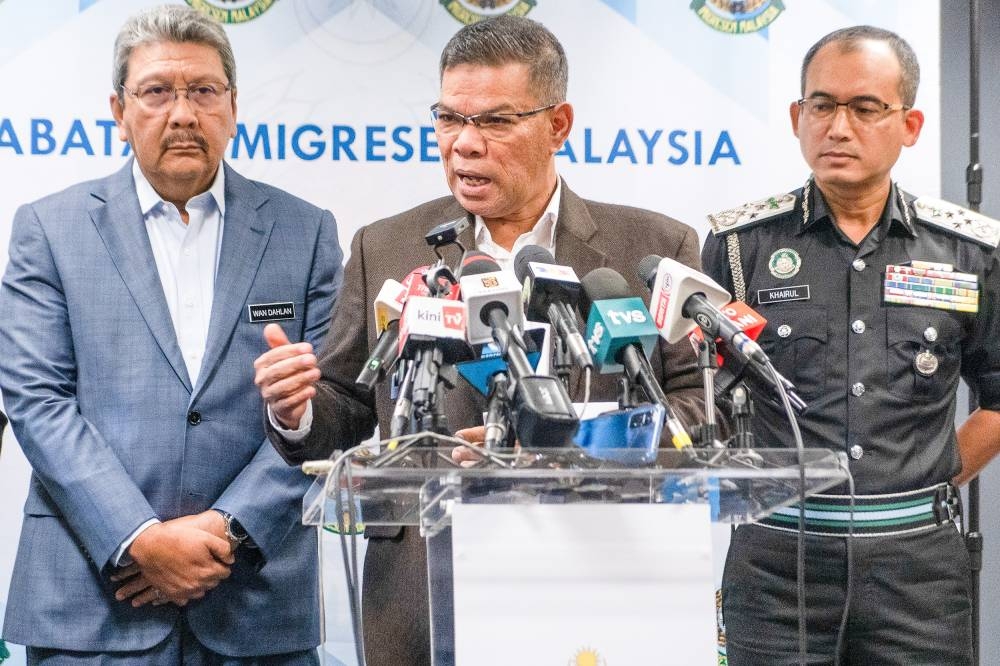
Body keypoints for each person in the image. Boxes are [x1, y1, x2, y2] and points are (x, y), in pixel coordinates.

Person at [253, 14, 713, 666]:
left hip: (607, 576)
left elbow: (697, 408)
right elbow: (347, 406)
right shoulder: (384, 247)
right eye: (448, 119)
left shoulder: (651, 246)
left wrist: (574, 437)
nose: (463, 145)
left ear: (558, 125)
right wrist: (296, 410)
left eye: (494, 121)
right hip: (425, 592)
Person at [0, 5, 343, 663]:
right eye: (157, 91)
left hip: (254, 599)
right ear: (118, 110)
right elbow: (36, 401)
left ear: (233, 106)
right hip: (94, 597)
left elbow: (329, 410)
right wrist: (139, 537)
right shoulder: (50, 229)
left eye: (204, 92)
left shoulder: (305, 233)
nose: (183, 114)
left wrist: (224, 530)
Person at [702, 25, 1000, 665]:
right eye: (822, 105)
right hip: (776, 562)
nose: (839, 127)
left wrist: (933, 479)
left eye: (866, 109)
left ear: (910, 124)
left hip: (917, 572)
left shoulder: (969, 252)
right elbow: (711, 399)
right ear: (796, 116)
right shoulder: (739, 248)